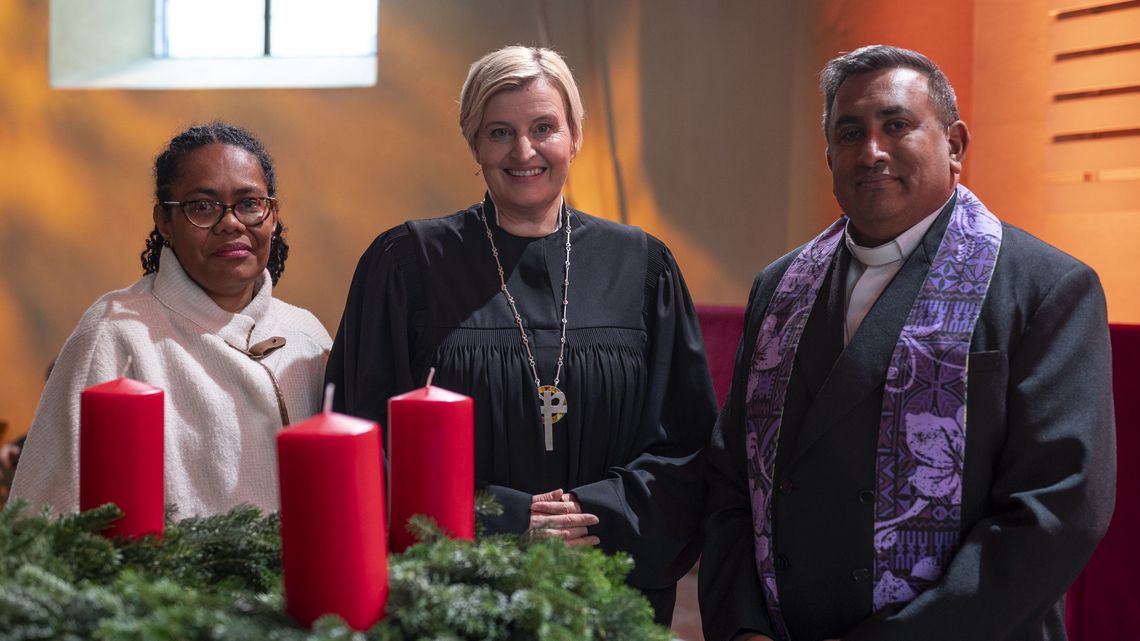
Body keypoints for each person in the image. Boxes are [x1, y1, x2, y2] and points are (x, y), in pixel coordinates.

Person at [699, 45, 1116, 641]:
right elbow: (730, 477)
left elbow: (1057, 512)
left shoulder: (1047, 288)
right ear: (829, 156)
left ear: (955, 144)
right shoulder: (779, 286)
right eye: (850, 133)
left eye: (897, 125)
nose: (872, 152)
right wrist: (744, 628)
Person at [326, 45, 716, 624]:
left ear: (575, 136)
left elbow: (688, 442)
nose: (524, 151)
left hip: (608, 588)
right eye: (500, 131)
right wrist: (505, 519)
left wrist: (592, 512)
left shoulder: (641, 266)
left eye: (544, 128)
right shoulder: (407, 265)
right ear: (474, 144)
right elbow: (366, 439)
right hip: (459, 595)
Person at [11, 122, 332, 517]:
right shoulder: (115, 332)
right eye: (203, 206)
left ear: (273, 215)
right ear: (164, 221)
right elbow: (49, 516)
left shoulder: (307, 336)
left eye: (249, 203)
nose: (231, 223)